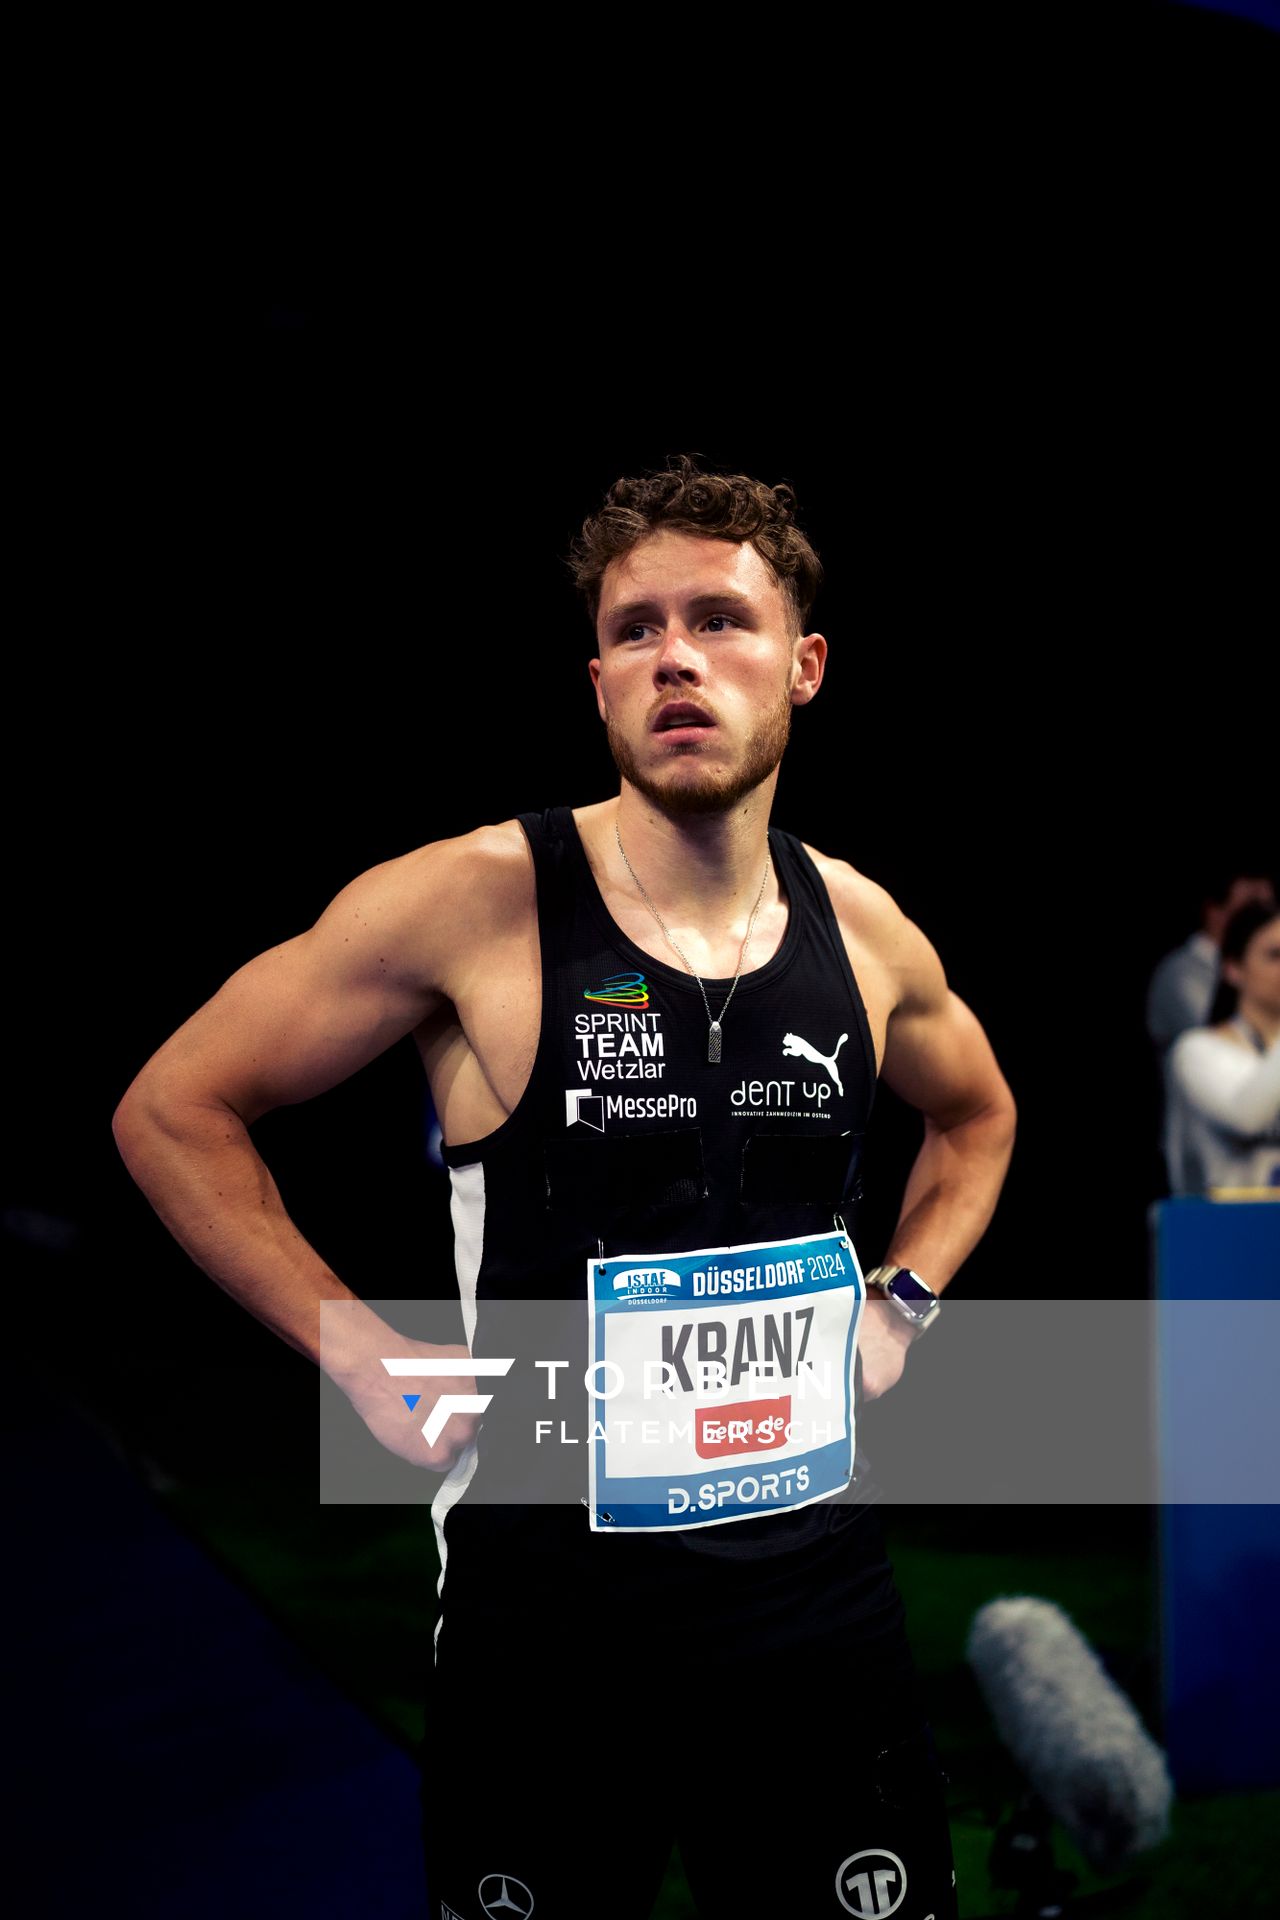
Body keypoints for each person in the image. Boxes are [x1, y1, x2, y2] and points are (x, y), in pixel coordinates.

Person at [112, 453, 1017, 1919]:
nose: (675, 657)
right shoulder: (473, 902)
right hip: (546, 1625)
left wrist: (901, 1301)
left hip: (814, 1606)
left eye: (719, 619)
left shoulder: (863, 929)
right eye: (635, 629)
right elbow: (174, 1109)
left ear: (803, 666)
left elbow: (976, 1118)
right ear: (598, 682)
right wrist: (356, 1349)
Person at [1163, 899, 1280, 1197]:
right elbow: (1248, 1115)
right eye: (1275, 955)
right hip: (1222, 1222)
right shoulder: (1196, 1050)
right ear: (1233, 969)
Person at [1146, 865, 1276, 1058]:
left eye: (1270, 905)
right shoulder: (1181, 973)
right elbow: (1212, 1039)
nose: (1268, 919)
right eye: (1252, 907)